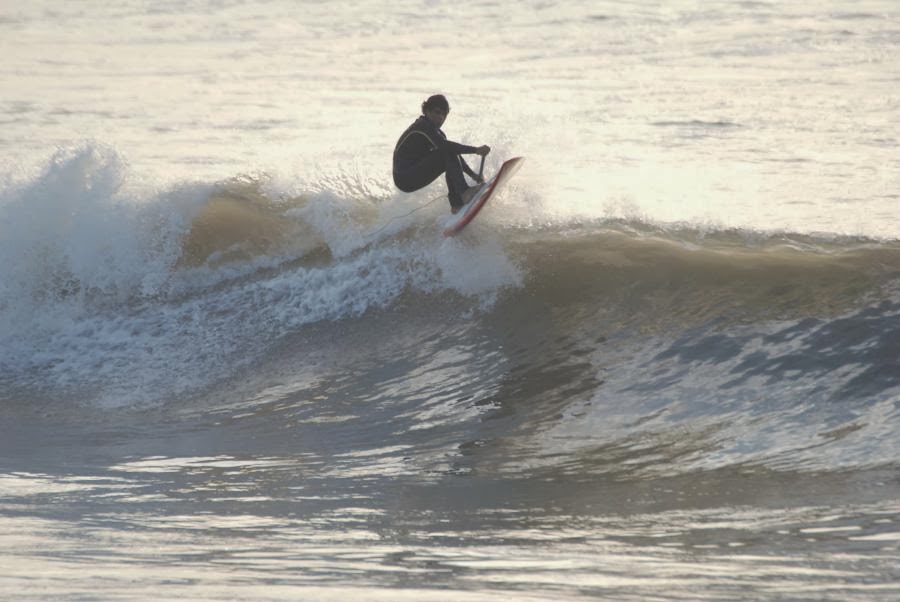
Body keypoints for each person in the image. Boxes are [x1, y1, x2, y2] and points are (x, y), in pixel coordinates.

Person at [393, 94, 490, 214]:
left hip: (413, 174)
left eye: (444, 114)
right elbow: (445, 147)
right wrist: (475, 150)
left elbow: (452, 153)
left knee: (448, 153)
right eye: (437, 112)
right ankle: (465, 192)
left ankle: (456, 204)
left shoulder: (437, 134)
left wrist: (473, 175)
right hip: (404, 177)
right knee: (446, 151)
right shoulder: (422, 126)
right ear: (427, 111)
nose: (441, 117)